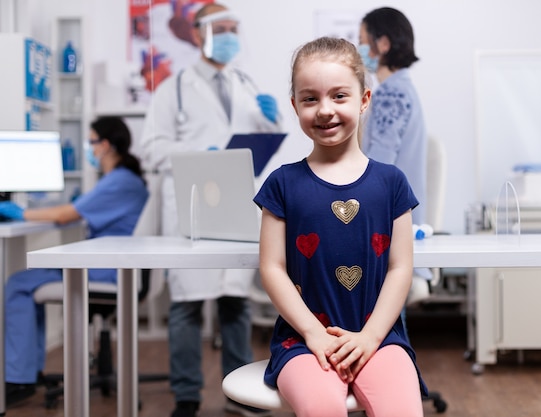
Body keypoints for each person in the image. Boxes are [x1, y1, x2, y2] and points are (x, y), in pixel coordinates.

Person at [253, 37, 426, 417]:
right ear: (295, 104)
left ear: (364, 100)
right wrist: (313, 333)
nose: (325, 110)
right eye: (310, 98)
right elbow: (272, 268)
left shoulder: (392, 183)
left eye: (339, 96)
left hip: (380, 339)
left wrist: (371, 337)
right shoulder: (281, 185)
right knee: (322, 407)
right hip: (301, 340)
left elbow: (400, 267)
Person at [140, 3, 280, 417]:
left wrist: (271, 123)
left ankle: (240, 394)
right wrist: (201, 155)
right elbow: (151, 149)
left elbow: (262, 144)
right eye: (222, 28)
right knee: (186, 306)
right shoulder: (173, 88)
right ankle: (187, 396)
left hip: (237, 202)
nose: (231, 34)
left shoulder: (246, 83)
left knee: (234, 303)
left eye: (235, 27)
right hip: (193, 206)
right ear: (199, 34)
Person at [0, 116, 148, 407]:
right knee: (30, 281)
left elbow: (64, 215)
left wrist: (18, 212)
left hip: (108, 271)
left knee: (19, 283)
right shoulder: (124, 179)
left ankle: (19, 378)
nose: (88, 148)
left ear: (105, 145)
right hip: (113, 263)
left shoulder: (119, 181)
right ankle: (25, 372)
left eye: (90, 141)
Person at [358, 7, 427, 227]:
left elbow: (378, 166)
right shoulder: (402, 89)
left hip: (390, 226)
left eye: (362, 41)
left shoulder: (392, 94)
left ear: (383, 44)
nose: (359, 49)